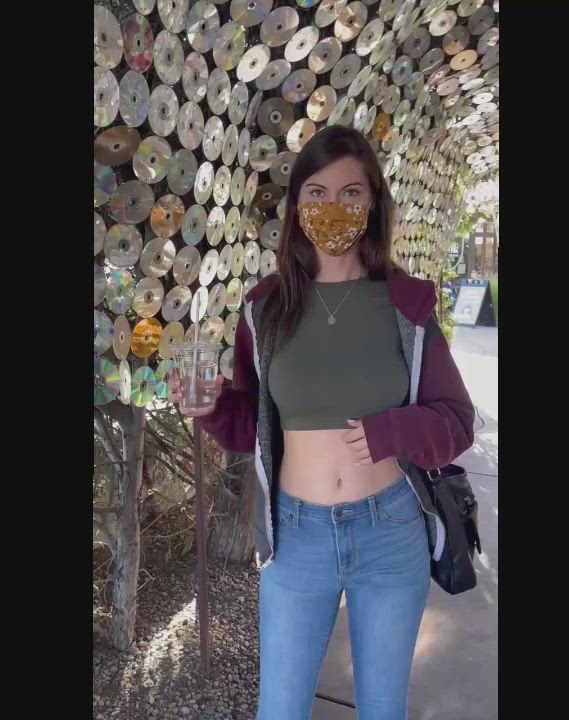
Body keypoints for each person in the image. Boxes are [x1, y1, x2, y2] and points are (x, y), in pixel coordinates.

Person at [169, 125, 474, 719]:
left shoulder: (405, 303)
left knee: (382, 709)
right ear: (297, 205)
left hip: (390, 531)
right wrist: (211, 409)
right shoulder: (266, 307)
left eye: (351, 193)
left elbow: (457, 420)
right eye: (317, 192)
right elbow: (251, 425)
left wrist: (391, 431)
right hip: (298, 534)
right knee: (280, 709)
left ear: (374, 202)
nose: (333, 207)